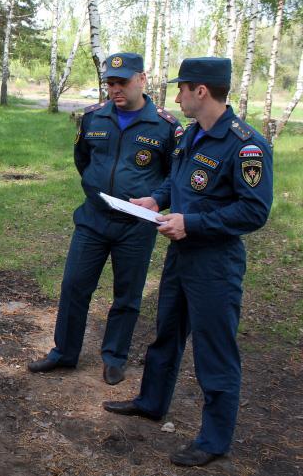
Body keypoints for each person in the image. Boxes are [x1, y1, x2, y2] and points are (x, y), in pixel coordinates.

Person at [102, 57, 273, 467]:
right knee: (167, 333)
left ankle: (214, 441)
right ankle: (151, 401)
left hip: (215, 263)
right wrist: (157, 200)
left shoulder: (245, 145)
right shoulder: (190, 134)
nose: (175, 95)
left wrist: (191, 223)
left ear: (201, 91)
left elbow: (254, 212)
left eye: (182, 88)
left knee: (215, 351)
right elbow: (175, 181)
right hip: (181, 255)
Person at [28, 53, 183, 385]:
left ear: (142, 79)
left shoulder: (166, 125)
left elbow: (175, 175)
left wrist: (156, 200)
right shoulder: (93, 118)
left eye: (122, 82)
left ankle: (114, 357)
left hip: (136, 226)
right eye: (110, 83)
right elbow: (83, 160)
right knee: (73, 286)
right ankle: (64, 352)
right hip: (93, 219)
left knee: (127, 294)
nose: (115, 89)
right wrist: (97, 188)